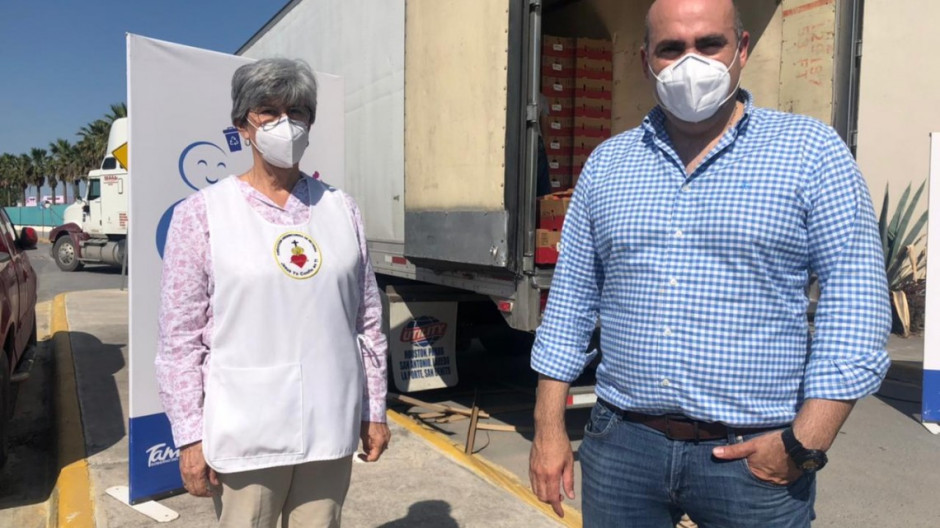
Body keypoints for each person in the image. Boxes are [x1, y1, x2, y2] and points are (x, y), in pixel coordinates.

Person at [528, 1, 891, 526]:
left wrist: (804, 442)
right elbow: (570, 304)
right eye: (671, 49)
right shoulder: (608, 165)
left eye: (709, 44)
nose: (690, 63)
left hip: (755, 458)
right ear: (646, 60)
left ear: (741, 49)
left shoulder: (810, 154)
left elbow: (856, 303)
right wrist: (548, 428)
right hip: (622, 446)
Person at [156, 57, 390, 528]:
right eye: (268, 111)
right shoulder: (202, 214)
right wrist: (189, 436)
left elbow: (367, 320)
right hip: (246, 431)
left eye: (297, 111)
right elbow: (180, 339)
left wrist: (374, 409)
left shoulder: (341, 209)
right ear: (243, 125)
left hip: (329, 422)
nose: (285, 124)